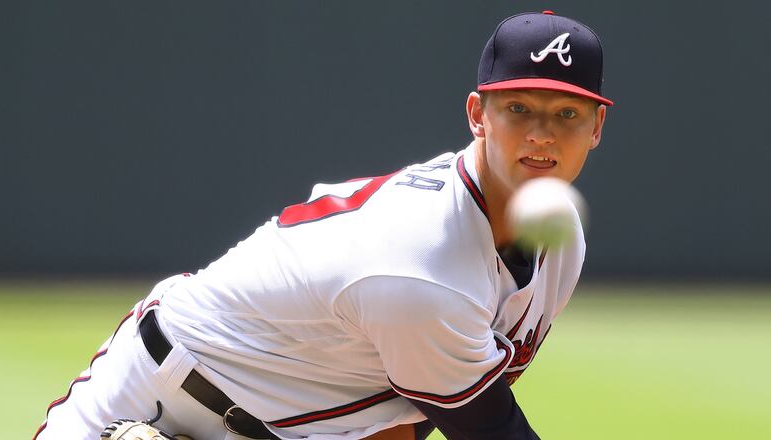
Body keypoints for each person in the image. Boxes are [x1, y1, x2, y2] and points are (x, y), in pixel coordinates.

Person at [35, 10, 611, 440]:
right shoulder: (423, 263)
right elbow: (488, 430)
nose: (542, 134)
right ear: (476, 116)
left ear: (596, 129)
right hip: (163, 395)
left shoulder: (561, 244)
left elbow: (413, 411)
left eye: (566, 114)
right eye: (519, 109)